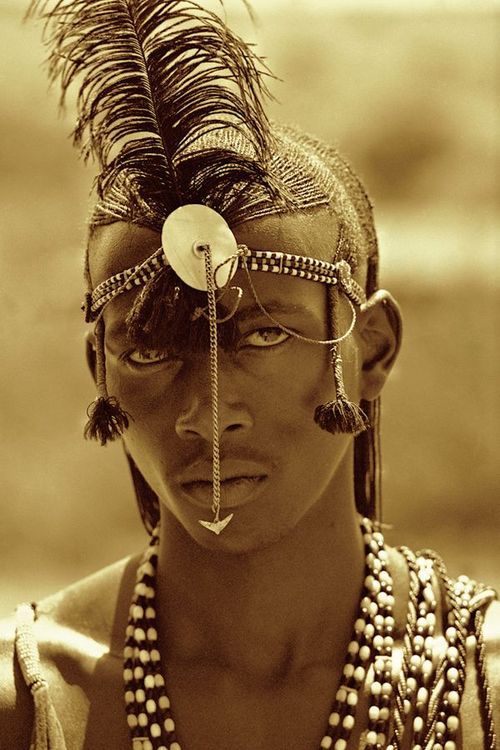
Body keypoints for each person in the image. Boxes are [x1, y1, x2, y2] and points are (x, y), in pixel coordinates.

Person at [1, 1, 498, 749]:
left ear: (375, 350)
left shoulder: (480, 692)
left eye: (265, 333)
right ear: (99, 370)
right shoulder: (31, 707)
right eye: (148, 351)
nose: (208, 414)